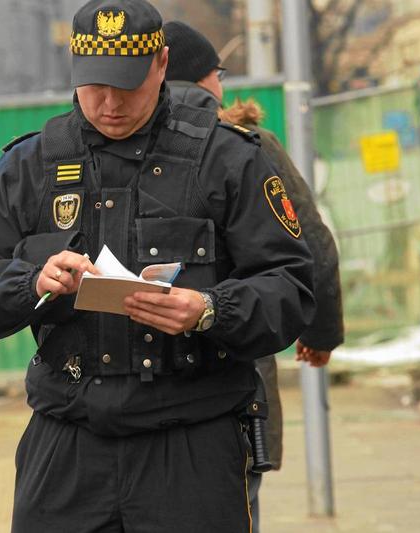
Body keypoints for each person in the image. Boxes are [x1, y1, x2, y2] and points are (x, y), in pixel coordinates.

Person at [0, 0, 316, 530]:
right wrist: (31, 282)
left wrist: (211, 311)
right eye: (94, 84)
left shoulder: (227, 158)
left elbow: (293, 288)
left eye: (127, 83)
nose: (110, 102)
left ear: (161, 64)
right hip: (65, 446)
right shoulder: (29, 166)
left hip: (189, 445)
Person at [164, 20, 345, 532]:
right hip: (236, 383)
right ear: (206, 81)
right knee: (235, 506)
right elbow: (312, 247)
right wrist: (320, 334)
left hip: (124, 397)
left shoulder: (110, 145)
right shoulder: (249, 146)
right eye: (218, 74)